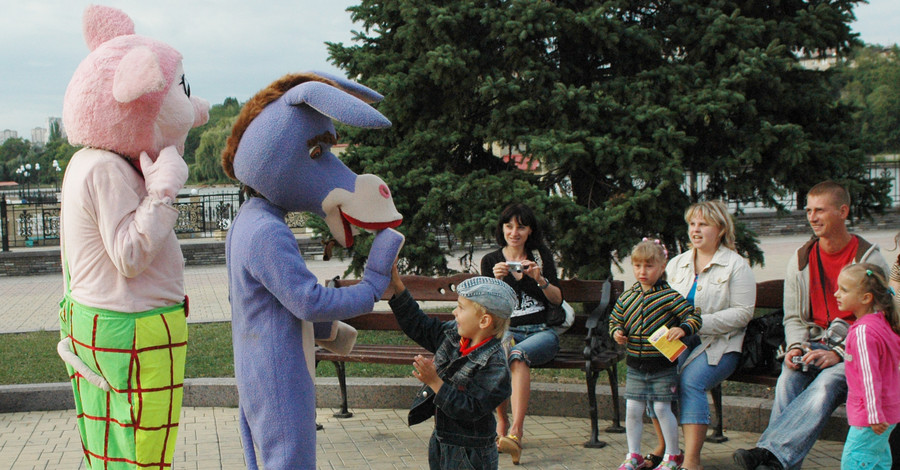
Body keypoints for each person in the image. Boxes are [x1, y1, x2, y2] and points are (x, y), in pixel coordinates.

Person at [734, 181, 890, 470]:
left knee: (827, 382)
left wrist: (839, 354)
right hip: (815, 344)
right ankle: (777, 461)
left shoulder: (869, 259)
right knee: (788, 380)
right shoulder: (802, 259)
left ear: (843, 211)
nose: (812, 217)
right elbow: (793, 317)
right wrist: (795, 347)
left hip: (859, 353)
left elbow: (880, 322)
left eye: (820, 210)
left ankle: (768, 454)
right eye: (808, 210)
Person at [644, 201, 756, 470]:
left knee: (690, 383)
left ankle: (692, 461)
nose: (695, 230)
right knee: (652, 374)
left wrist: (696, 324)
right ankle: (668, 448)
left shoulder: (736, 266)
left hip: (721, 344)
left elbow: (743, 313)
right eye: (692, 224)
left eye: (703, 224)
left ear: (720, 229)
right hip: (676, 341)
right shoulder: (677, 263)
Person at [388, 266, 515, 470]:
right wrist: (396, 284)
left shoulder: (495, 364)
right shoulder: (454, 336)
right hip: (442, 441)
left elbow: (471, 408)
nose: (454, 312)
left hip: (472, 453)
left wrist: (435, 382)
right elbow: (420, 326)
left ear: (484, 321)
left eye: (461, 307)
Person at [480, 203, 563, 464]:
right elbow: (486, 309)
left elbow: (557, 299)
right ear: (502, 229)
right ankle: (502, 424)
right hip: (507, 329)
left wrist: (539, 279)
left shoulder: (539, 256)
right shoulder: (491, 260)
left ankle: (516, 432)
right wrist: (495, 281)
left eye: (521, 227)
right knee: (503, 352)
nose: (514, 232)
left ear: (529, 231)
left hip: (541, 333)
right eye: (509, 226)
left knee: (518, 353)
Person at [610, 239, 702, 470]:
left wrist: (682, 328)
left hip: (662, 365)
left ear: (662, 267)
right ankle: (634, 454)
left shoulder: (669, 296)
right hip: (635, 366)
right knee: (633, 409)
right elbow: (615, 320)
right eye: (638, 266)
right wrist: (617, 333)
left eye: (649, 266)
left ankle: (673, 455)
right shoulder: (627, 297)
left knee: (662, 408)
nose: (642, 271)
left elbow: (693, 317)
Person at [834, 263, 900, 469]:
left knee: (853, 462)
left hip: (871, 417)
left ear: (865, 298)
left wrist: (873, 414)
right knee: (878, 461)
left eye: (844, 290)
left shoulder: (863, 332)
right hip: (886, 412)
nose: (837, 293)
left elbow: (869, 378)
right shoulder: (881, 322)